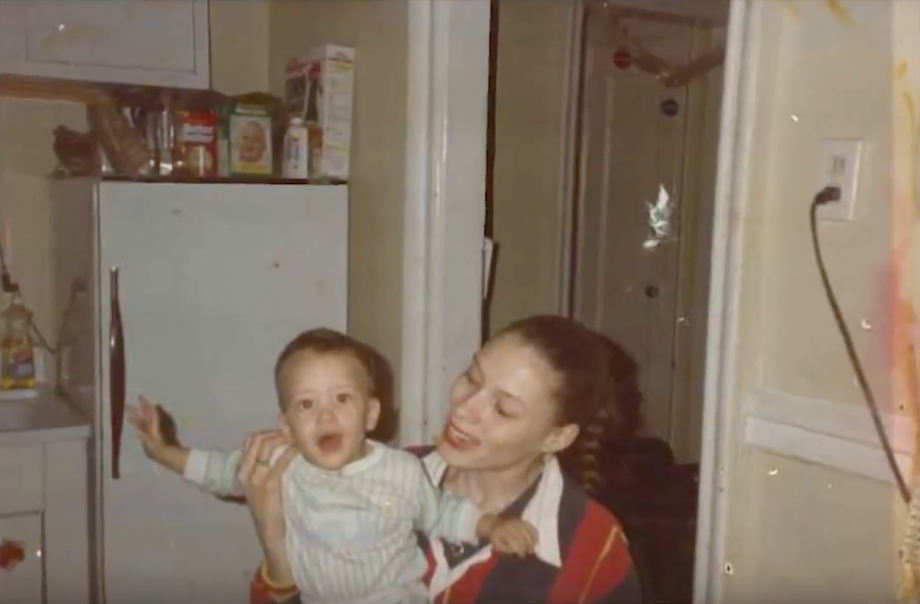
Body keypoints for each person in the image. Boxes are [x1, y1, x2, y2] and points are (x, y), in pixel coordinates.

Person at [242, 315, 643, 604]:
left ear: (556, 436)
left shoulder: (591, 543)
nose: (465, 408)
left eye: (502, 409)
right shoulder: (384, 475)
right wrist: (274, 540)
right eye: (472, 376)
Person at [129, 328, 537, 604]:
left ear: (372, 413)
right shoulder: (282, 464)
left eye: (343, 399)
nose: (326, 416)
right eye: (306, 404)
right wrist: (165, 452)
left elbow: (444, 512)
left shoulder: (401, 472)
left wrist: (493, 526)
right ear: (286, 425)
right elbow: (220, 470)